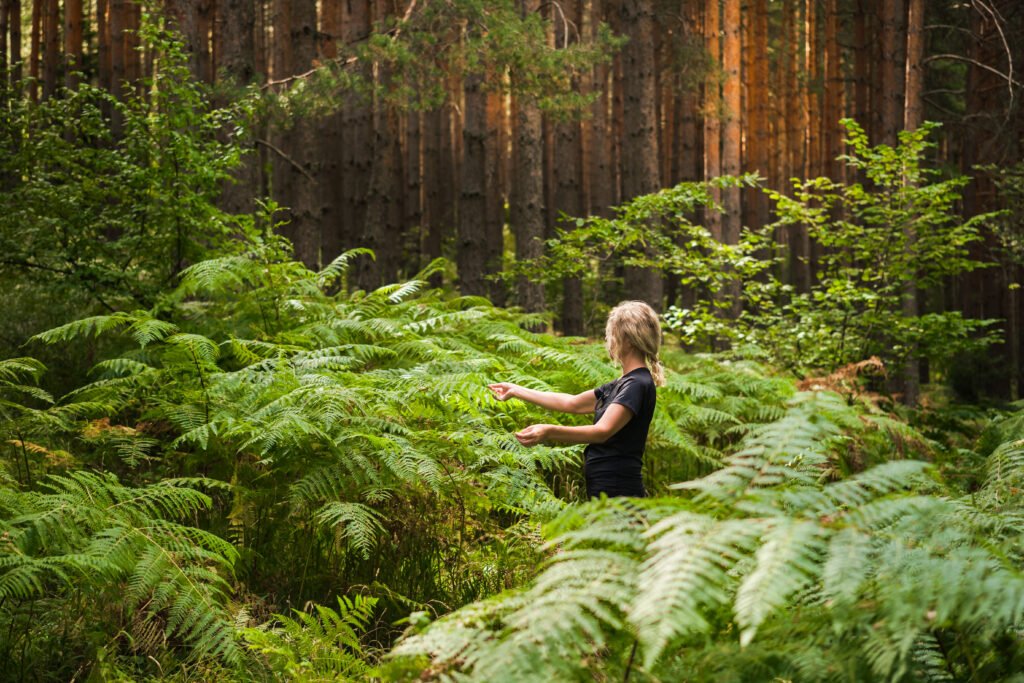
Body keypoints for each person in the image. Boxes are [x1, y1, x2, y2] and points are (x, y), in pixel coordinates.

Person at [488, 300, 665, 499]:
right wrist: (516, 390)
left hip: (618, 486)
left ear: (629, 339)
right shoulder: (624, 383)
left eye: (612, 334)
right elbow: (572, 403)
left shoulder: (637, 384)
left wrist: (549, 431)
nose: (609, 340)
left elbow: (602, 432)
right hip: (607, 484)